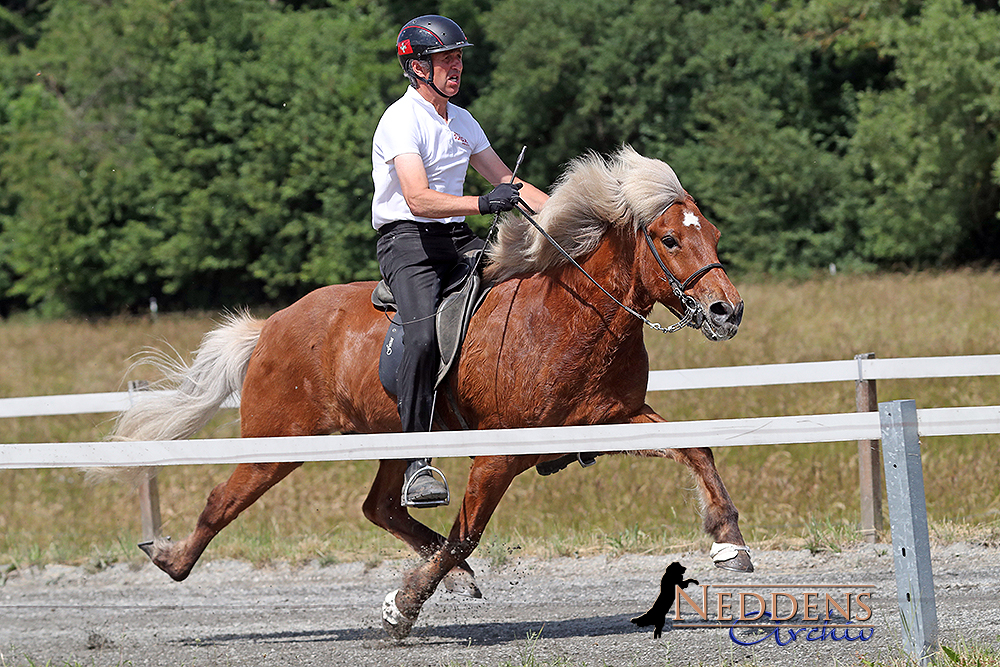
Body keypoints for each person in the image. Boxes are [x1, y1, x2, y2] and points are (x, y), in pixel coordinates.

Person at [372, 15, 548, 507]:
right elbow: (418, 200)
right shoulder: (400, 120)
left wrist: (566, 219)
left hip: (455, 239)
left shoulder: (463, 120)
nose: (457, 66)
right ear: (417, 67)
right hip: (408, 242)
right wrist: (483, 204)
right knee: (424, 336)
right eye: (446, 59)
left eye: (458, 58)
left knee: (527, 294)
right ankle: (415, 463)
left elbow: (510, 185)